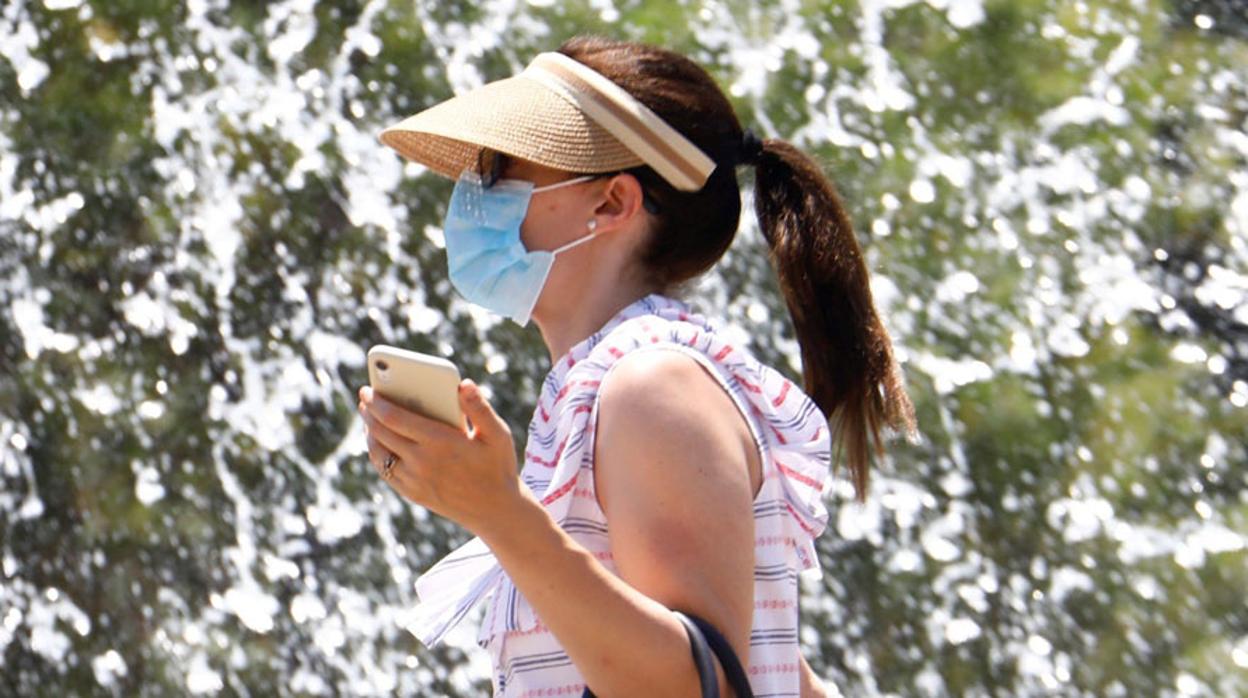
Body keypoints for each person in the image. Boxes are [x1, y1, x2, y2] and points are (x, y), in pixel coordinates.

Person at [357, 36, 915, 697]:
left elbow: (696, 685)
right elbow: (761, 672)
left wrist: (500, 512)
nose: (474, 195)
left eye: (503, 170)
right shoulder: (619, 383)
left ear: (612, 204)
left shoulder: (650, 382)